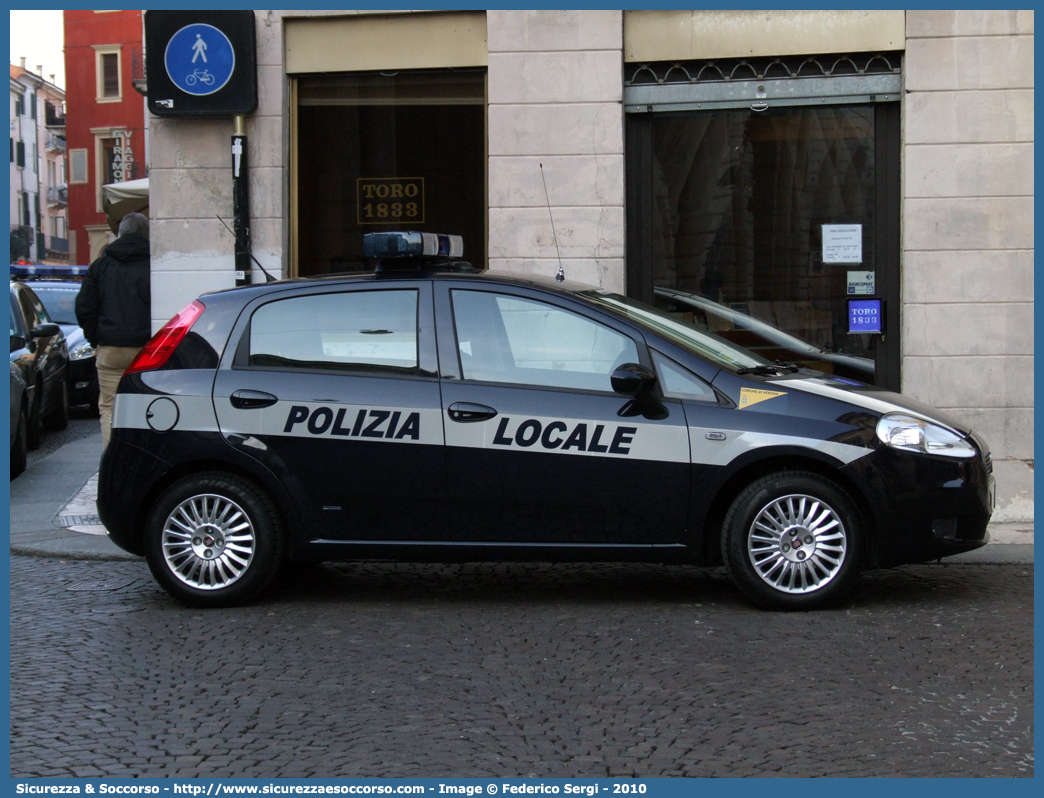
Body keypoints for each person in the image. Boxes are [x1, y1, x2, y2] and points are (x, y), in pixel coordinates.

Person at [75, 212, 152, 447]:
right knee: (146, 406)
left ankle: (113, 461)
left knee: (109, 407)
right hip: (147, 349)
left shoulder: (101, 266)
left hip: (110, 348)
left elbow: (84, 307)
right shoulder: (154, 264)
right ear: (146, 234)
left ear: (120, 234)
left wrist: (95, 338)